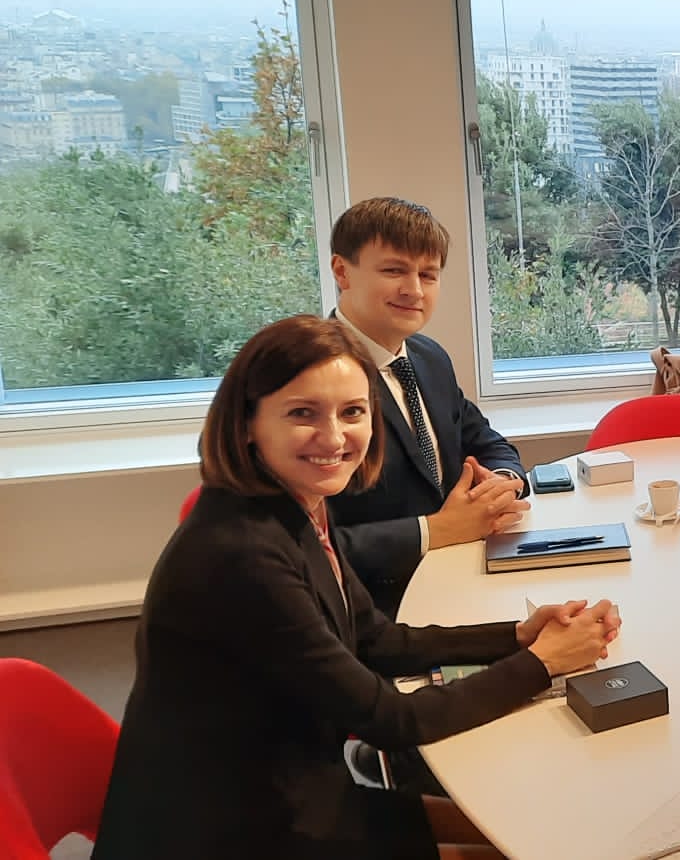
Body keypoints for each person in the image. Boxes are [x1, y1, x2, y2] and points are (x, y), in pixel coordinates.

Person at [94, 316, 620, 860]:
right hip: (231, 831)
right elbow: (392, 720)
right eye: (303, 413)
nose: (333, 438)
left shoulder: (291, 506)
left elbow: (374, 638)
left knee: (538, 834)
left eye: (352, 412)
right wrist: (542, 663)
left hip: (287, 788)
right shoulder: (242, 556)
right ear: (248, 422)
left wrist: (516, 635)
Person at [325, 197, 530, 616]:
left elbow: (485, 441)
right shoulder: (309, 376)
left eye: (428, 274)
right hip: (370, 610)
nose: (414, 290)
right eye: (393, 270)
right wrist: (435, 530)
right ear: (342, 272)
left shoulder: (428, 357)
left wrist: (502, 481)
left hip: (462, 577)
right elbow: (304, 545)